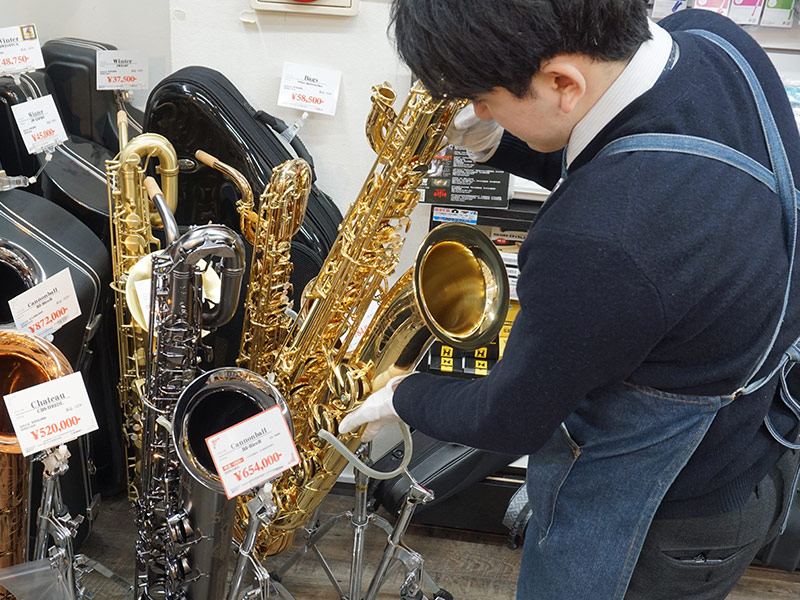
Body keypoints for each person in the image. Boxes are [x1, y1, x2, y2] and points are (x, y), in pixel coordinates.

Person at [339, 2, 800, 599]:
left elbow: (511, 419)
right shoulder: (712, 38)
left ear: (561, 81)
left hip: (658, 521)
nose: (479, 111)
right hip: (753, 454)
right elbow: (629, 143)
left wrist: (404, 393)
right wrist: (497, 143)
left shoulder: (597, 240)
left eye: (484, 100)